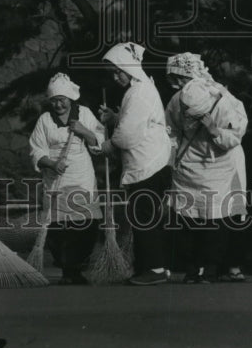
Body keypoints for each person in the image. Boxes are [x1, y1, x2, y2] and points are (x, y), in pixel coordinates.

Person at [165, 57, 249, 284]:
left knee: (215, 219)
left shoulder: (224, 103)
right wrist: (171, 157)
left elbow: (234, 138)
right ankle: (193, 267)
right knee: (188, 218)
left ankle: (210, 267)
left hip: (218, 165)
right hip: (188, 165)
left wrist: (213, 130)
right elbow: (171, 130)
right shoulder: (177, 100)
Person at [99, 42, 172, 285]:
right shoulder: (141, 90)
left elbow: (127, 135)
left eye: (118, 70)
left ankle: (156, 268)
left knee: (143, 215)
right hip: (149, 163)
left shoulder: (138, 92)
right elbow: (137, 122)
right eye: (112, 72)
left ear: (129, 67)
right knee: (144, 214)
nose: (115, 76)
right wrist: (116, 117)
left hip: (147, 165)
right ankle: (149, 266)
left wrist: (107, 145)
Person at [29, 73, 104, 285]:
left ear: (70, 98)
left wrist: (84, 131)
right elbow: (36, 150)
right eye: (54, 100)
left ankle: (78, 268)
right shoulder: (44, 120)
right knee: (58, 224)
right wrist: (51, 164)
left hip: (81, 176)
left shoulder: (85, 114)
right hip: (55, 176)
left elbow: (99, 141)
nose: (58, 104)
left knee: (85, 222)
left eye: (62, 100)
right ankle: (66, 270)